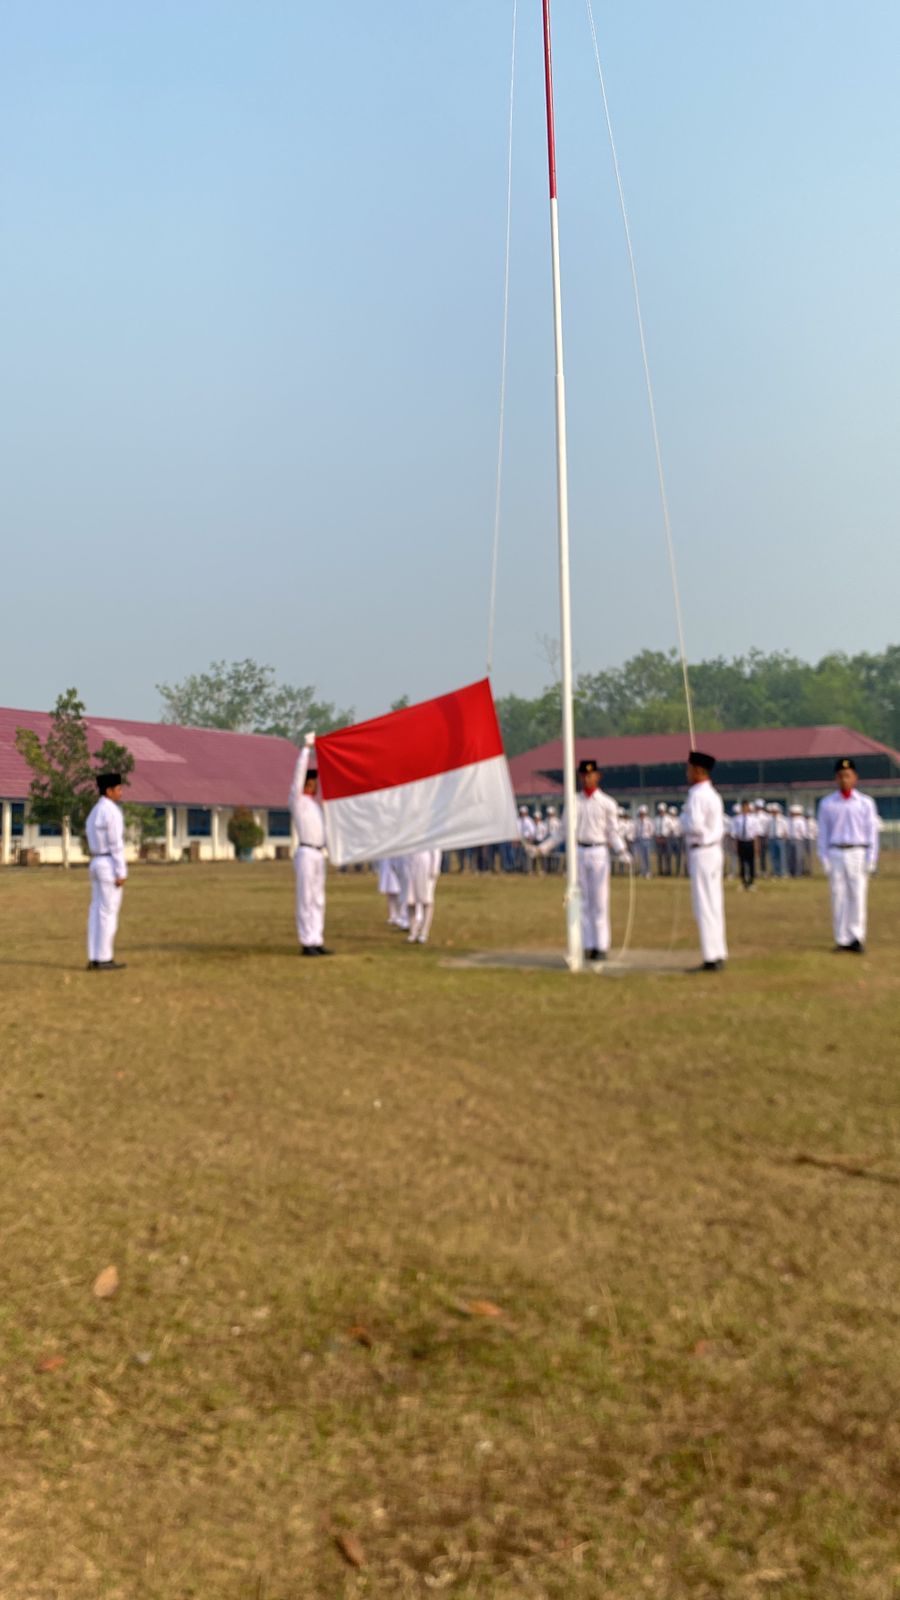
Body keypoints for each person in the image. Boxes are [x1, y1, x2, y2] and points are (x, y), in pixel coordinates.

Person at [532, 758, 626, 962]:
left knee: (600, 901)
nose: (587, 778)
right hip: (579, 852)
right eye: (583, 775)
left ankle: (601, 945)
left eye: (590, 775)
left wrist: (622, 851)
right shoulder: (574, 801)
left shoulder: (607, 803)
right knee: (581, 901)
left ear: (597, 776)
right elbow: (562, 832)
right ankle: (587, 944)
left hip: (599, 851)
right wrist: (542, 848)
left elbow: (613, 832)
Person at [817, 758, 879, 953]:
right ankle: (841, 938)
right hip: (836, 852)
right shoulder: (828, 804)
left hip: (857, 851)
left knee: (858, 895)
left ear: (855, 778)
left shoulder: (865, 803)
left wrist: (871, 858)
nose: (845, 779)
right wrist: (824, 858)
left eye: (848, 776)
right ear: (836, 778)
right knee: (838, 896)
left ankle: (856, 937)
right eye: (841, 776)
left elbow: (872, 833)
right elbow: (823, 834)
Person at [682, 750, 727, 971]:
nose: (686, 773)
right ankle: (717, 951)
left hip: (702, 850)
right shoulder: (713, 794)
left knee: (704, 905)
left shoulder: (697, 795)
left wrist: (684, 820)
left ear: (698, 771)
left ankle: (711, 956)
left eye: (689, 769)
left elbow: (695, 826)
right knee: (714, 903)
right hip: (712, 851)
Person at [289, 734, 330, 956]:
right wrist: (306, 749)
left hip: (318, 852)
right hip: (305, 851)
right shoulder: (298, 802)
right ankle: (306, 941)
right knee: (305, 897)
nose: (315, 786)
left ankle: (317, 937)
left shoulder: (316, 806)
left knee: (318, 898)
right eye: (312, 782)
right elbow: (297, 779)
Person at [85, 772, 128, 971]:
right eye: (118, 789)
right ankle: (104, 958)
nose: (121, 792)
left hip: (95, 860)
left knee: (96, 911)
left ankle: (95, 956)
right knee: (108, 912)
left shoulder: (95, 811)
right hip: (108, 863)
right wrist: (121, 871)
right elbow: (115, 843)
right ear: (109, 791)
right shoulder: (111, 811)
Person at [406, 848, 442, 944]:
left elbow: (436, 849)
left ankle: (424, 932)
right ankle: (413, 931)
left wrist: (435, 867)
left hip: (425, 865)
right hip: (410, 864)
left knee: (426, 900)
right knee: (410, 900)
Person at [731, 799, 757, 890]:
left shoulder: (753, 819)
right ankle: (743, 882)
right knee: (742, 863)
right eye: (743, 807)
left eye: (747, 806)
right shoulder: (737, 819)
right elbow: (735, 833)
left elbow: (755, 834)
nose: (745, 808)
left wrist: (756, 846)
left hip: (750, 841)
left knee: (751, 863)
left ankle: (751, 882)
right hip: (741, 841)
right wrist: (735, 845)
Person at [786, 805, 807, 878]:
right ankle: (791, 872)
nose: (791, 813)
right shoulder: (789, 820)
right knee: (790, 857)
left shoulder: (801, 820)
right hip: (790, 839)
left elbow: (803, 831)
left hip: (798, 840)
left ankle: (798, 873)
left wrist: (800, 837)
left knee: (798, 857)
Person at [768, 803, 787, 878]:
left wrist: (784, 838)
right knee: (774, 856)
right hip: (772, 839)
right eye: (772, 811)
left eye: (774, 811)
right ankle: (775, 871)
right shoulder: (770, 819)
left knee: (782, 856)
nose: (773, 812)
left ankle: (782, 872)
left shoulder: (782, 819)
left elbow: (786, 830)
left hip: (780, 839)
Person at [654, 801, 672, 876]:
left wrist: (667, 836)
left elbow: (671, 828)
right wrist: (656, 837)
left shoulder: (668, 819)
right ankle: (660, 871)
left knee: (667, 855)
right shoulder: (656, 819)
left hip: (666, 838)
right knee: (659, 856)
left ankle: (668, 871)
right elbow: (654, 829)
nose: (661, 812)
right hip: (658, 838)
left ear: (665, 810)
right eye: (660, 810)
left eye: (662, 810)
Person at [634, 805, 653, 879]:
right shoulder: (637, 821)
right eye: (640, 813)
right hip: (639, 840)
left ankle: (648, 872)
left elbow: (651, 830)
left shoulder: (649, 821)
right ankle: (642, 871)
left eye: (643, 813)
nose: (641, 814)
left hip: (646, 840)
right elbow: (636, 830)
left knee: (647, 856)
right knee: (641, 857)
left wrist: (648, 836)